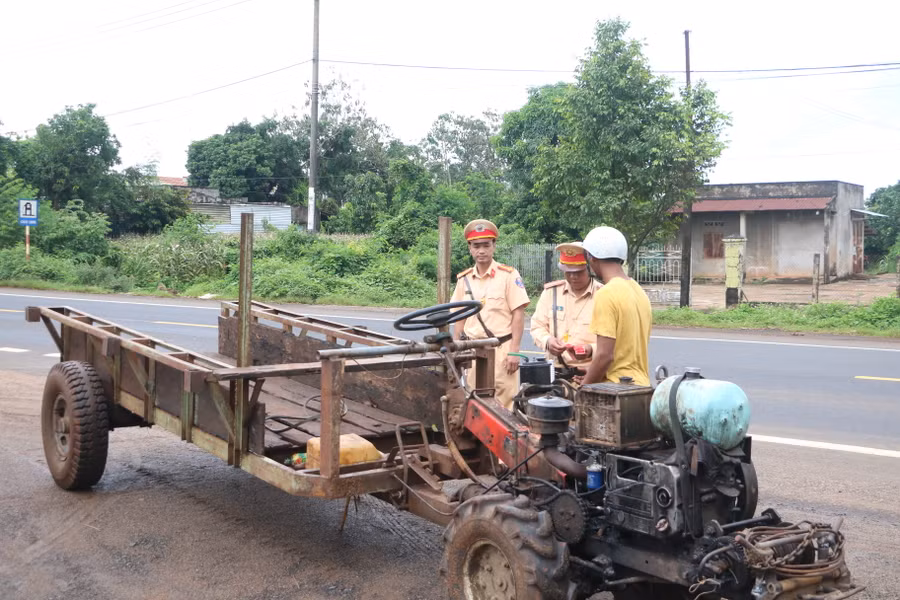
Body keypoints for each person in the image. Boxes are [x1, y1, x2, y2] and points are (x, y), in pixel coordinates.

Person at [451, 219, 530, 410]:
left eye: (486, 245)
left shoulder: (508, 275)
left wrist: (514, 351)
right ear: (470, 248)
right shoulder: (465, 279)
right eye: (476, 246)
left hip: (500, 351)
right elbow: (459, 317)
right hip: (471, 352)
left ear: (494, 246)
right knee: (473, 404)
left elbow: (518, 314)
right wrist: (455, 350)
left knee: (503, 406)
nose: (481, 251)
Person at [579, 226, 652, 386]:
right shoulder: (638, 291)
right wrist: (592, 371)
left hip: (616, 391)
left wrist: (584, 388)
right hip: (641, 387)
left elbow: (605, 356)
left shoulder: (606, 293)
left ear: (592, 258)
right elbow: (625, 351)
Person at [530, 242, 602, 372]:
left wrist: (591, 349)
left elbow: (616, 341)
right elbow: (537, 326)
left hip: (591, 374)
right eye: (568, 272)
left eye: (578, 272)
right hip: (556, 372)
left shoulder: (603, 295)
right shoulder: (551, 293)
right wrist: (548, 341)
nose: (573, 277)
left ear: (589, 269)